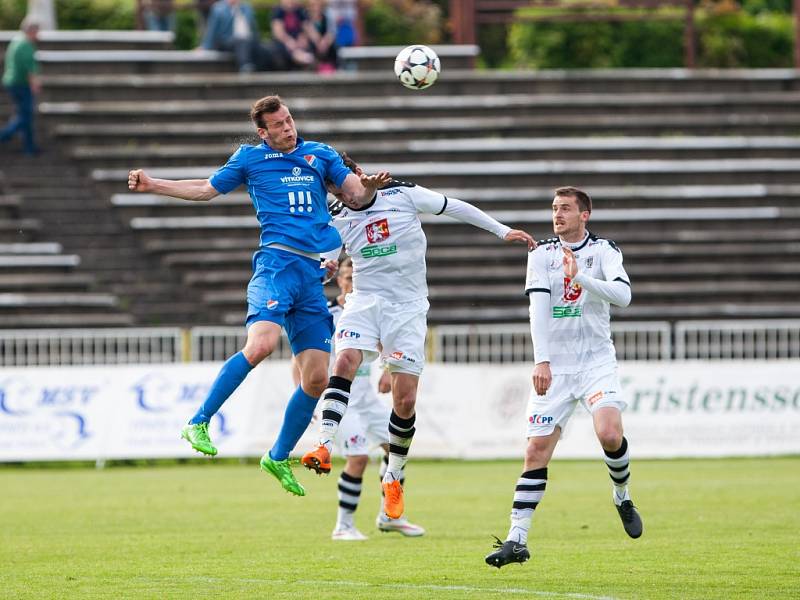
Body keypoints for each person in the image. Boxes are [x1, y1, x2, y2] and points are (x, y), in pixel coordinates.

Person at [127, 95, 388, 497]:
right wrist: (152, 184)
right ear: (262, 132)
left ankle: (278, 455)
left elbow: (356, 195)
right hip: (276, 266)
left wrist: (367, 190)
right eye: (279, 124)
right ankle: (198, 421)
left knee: (317, 378)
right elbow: (204, 189)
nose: (288, 127)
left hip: (312, 276)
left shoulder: (320, 154)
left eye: (289, 120)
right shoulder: (250, 159)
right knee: (262, 345)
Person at [301, 153, 535, 521]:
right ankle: (324, 444)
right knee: (345, 360)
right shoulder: (335, 215)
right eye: (330, 186)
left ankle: (394, 474)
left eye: (340, 181)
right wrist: (323, 270)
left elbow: (454, 206)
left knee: (405, 399)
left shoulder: (402, 194)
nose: (338, 191)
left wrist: (502, 230)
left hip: (407, 307)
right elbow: (327, 261)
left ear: (357, 174)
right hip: (364, 300)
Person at [485, 186, 642, 569]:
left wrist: (582, 279)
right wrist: (542, 361)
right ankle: (516, 539)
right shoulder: (540, 255)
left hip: (595, 363)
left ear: (584, 214)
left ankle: (621, 495)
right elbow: (537, 308)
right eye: (554, 208)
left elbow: (623, 297)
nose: (558, 215)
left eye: (566, 209)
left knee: (609, 433)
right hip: (556, 366)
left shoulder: (605, 251)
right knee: (535, 451)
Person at [304, 257, 425, 540]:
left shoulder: (371, 309)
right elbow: (302, 360)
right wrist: (306, 397)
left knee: (395, 447)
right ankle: (343, 526)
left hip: (367, 400)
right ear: (339, 279)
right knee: (358, 458)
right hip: (340, 403)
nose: (351, 280)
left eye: (355, 275)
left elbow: (388, 343)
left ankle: (389, 515)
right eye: (346, 276)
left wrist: (386, 369)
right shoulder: (327, 314)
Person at [0, 18, 41, 156]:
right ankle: (4, 135)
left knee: (24, 115)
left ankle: (29, 147)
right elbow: (29, 68)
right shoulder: (25, 45)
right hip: (20, 84)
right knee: (25, 116)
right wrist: (35, 84)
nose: (38, 35)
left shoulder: (16, 41)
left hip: (12, 82)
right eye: (37, 32)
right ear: (31, 31)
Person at [201, 0, 261, 73]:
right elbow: (212, 30)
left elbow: (253, 28)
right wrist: (205, 46)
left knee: (261, 48)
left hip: (247, 41)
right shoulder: (219, 8)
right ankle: (245, 66)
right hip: (226, 41)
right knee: (241, 40)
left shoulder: (246, 7)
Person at [270, 0, 315, 70]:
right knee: (281, 48)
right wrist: (289, 41)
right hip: (284, 42)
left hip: (298, 42)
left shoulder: (300, 11)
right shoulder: (278, 11)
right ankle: (298, 57)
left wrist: (303, 37)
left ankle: (302, 58)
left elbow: (307, 28)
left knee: (309, 44)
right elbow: (278, 32)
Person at [305, 0, 338, 73]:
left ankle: (330, 68)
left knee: (332, 47)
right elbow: (308, 30)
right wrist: (318, 42)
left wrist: (325, 42)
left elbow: (331, 32)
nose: (316, 8)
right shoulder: (305, 17)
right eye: (313, 5)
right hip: (312, 44)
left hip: (325, 45)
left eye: (318, 5)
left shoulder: (327, 16)